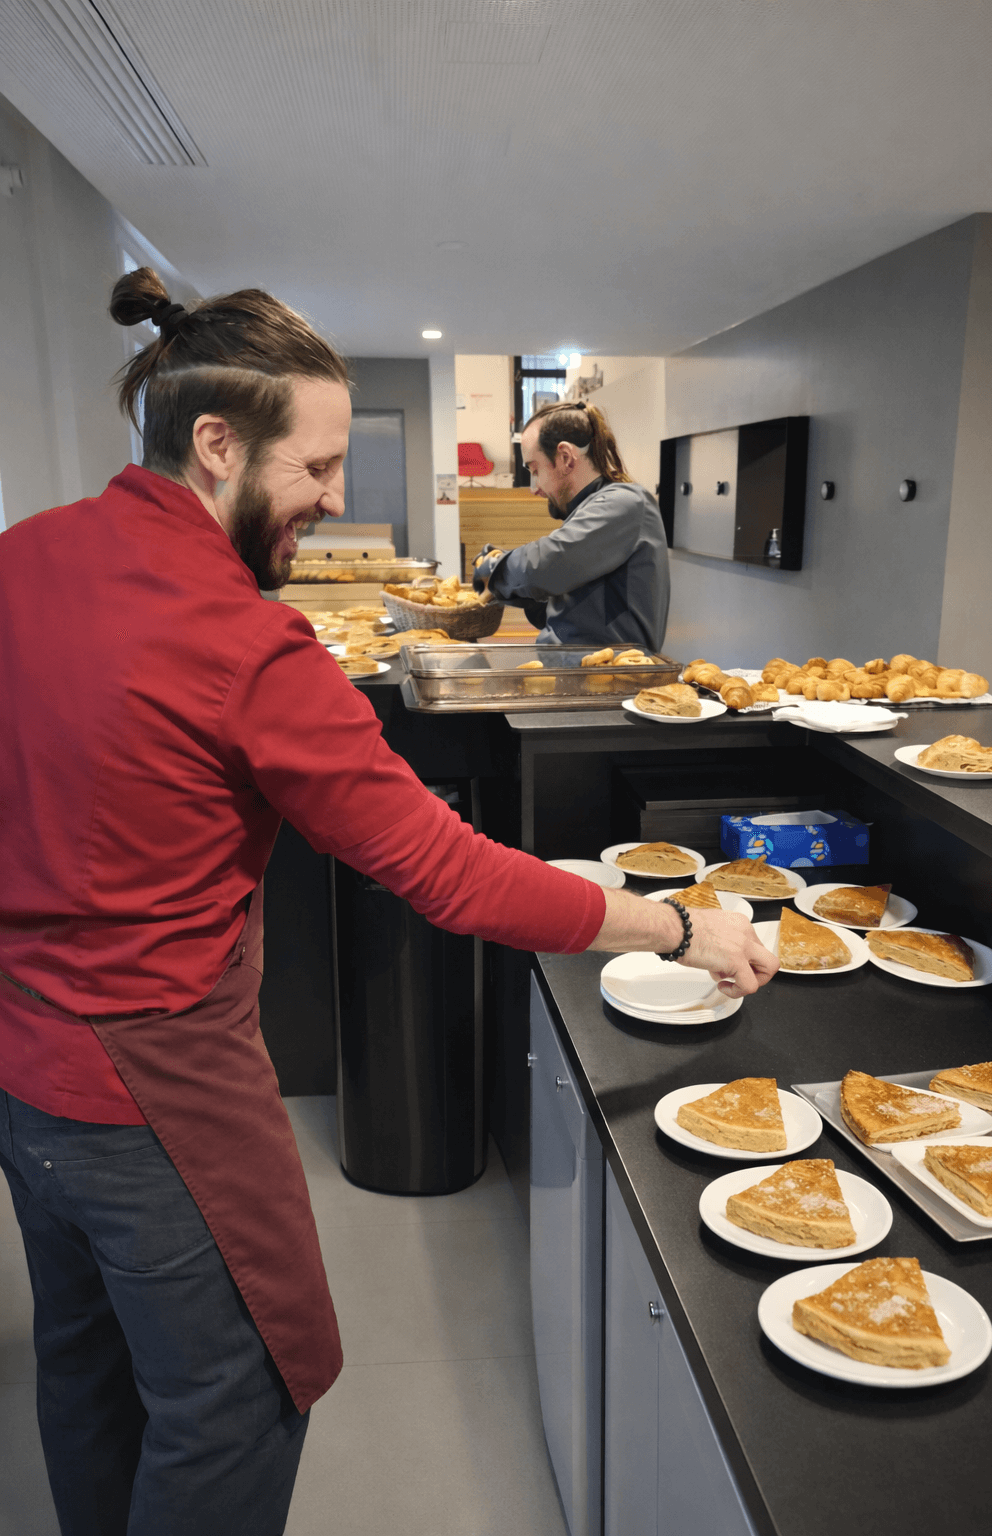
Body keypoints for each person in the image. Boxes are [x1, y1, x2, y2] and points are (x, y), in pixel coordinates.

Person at [0, 269, 777, 1536]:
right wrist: (684, 925)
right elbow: (448, 871)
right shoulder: (243, 646)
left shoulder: (20, 557)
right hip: (158, 1085)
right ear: (217, 445)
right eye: (313, 466)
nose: (334, 496)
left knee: (86, 1367)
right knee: (244, 1392)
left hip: (23, 1070)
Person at [472, 399, 670, 649]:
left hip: (611, 677)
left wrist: (494, 568)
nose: (535, 489)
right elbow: (573, 615)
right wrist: (525, 595)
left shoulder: (625, 503)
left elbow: (548, 563)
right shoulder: (587, 512)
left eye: (535, 471)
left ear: (566, 458)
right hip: (578, 671)